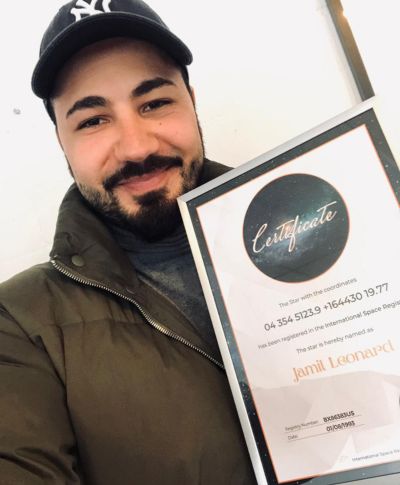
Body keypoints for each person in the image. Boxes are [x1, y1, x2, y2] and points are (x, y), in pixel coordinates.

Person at [0, 0, 257, 483]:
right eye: (93, 120)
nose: (137, 146)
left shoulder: (336, 227)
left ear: (192, 103)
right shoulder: (16, 324)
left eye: (155, 102)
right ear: (61, 141)